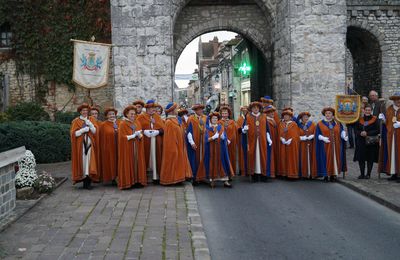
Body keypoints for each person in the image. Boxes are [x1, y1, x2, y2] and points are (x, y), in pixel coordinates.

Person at [197, 112, 233, 188]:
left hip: (221, 149)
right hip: (211, 150)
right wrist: (213, 137)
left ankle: (225, 181)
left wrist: (224, 138)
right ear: (210, 120)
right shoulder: (207, 128)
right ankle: (212, 180)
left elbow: (225, 138)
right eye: (213, 118)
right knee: (211, 163)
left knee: (223, 163)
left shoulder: (221, 127)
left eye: (216, 118)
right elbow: (206, 139)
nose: (215, 119)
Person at [160, 102, 192, 185]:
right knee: (173, 162)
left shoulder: (176, 120)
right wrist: (173, 148)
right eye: (175, 109)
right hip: (174, 146)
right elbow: (169, 138)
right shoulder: (169, 122)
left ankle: (179, 178)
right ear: (171, 111)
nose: (177, 110)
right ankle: (172, 179)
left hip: (180, 145)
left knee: (179, 163)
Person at [240, 101, 272, 182]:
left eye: (257, 108)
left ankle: (263, 175)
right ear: (251, 109)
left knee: (263, 157)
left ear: (259, 108)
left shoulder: (264, 116)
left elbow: (267, 129)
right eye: (254, 108)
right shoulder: (248, 117)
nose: (256, 109)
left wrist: (268, 138)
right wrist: (244, 129)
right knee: (253, 157)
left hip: (262, 141)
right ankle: (254, 175)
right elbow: (243, 130)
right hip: (252, 141)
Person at [70, 103, 99, 189]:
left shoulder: (92, 119)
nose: (85, 112)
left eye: (86, 110)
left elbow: (95, 132)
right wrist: (82, 130)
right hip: (81, 146)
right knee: (83, 162)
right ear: (80, 111)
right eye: (83, 110)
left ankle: (89, 181)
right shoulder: (76, 121)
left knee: (90, 162)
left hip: (90, 144)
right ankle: (84, 182)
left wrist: (90, 125)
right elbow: (73, 134)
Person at [118, 105, 147, 189]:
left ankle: (138, 180)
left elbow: (140, 134)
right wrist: (133, 135)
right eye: (131, 114)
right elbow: (122, 138)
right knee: (129, 163)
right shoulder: (123, 124)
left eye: (134, 114)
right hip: (128, 148)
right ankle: (129, 182)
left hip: (137, 147)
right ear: (126, 114)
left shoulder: (137, 122)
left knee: (137, 162)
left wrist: (140, 135)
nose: (133, 115)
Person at [315, 107, 348, 182]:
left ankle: (334, 175)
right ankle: (326, 175)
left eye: (329, 113)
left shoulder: (337, 123)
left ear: (332, 114)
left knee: (335, 159)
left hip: (336, 145)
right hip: (325, 146)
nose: (328, 115)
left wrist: (344, 135)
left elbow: (341, 131)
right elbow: (317, 134)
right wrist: (322, 138)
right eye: (326, 113)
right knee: (326, 159)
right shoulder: (320, 124)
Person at [137, 100, 165, 184]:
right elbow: (137, 127)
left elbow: (163, 128)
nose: (152, 109)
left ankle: (156, 176)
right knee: (146, 157)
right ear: (147, 109)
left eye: (153, 108)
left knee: (156, 157)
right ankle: (145, 175)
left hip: (156, 141)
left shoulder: (157, 117)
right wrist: (144, 131)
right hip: (145, 141)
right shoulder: (141, 117)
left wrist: (158, 131)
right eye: (150, 108)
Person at [353, 105, 379, 179]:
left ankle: (368, 174)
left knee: (370, 158)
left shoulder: (375, 119)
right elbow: (356, 130)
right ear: (363, 111)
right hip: (361, 142)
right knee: (361, 158)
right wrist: (360, 133)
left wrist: (367, 133)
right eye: (366, 110)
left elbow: (377, 130)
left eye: (369, 110)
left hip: (371, 142)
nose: (367, 111)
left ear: (371, 111)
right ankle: (362, 174)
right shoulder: (359, 119)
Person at [379, 92, 400, 181]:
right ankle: (393, 173)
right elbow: (387, 122)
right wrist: (383, 120)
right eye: (397, 99)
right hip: (391, 136)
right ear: (394, 100)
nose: (398, 101)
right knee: (392, 154)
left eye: (399, 99)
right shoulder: (389, 109)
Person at [186, 104, 208, 184]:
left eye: (202, 109)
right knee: (195, 159)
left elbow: (208, 129)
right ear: (195, 111)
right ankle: (195, 177)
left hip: (204, 142)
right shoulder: (191, 119)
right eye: (199, 109)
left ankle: (203, 176)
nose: (201, 111)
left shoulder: (205, 118)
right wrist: (192, 142)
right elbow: (189, 132)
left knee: (203, 158)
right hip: (196, 142)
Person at [99, 107, 120, 185]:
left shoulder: (120, 122)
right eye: (110, 114)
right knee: (111, 162)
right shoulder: (103, 125)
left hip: (119, 147)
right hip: (109, 147)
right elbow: (101, 137)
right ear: (106, 116)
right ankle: (112, 178)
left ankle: (120, 177)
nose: (112, 116)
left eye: (113, 114)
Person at [278, 109, 300, 179]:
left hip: (291, 145)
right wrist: (281, 138)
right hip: (282, 144)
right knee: (283, 158)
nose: (285, 117)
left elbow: (296, 134)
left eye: (287, 116)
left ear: (290, 117)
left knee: (291, 159)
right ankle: (283, 173)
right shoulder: (281, 124)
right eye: (284, 116)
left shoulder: (294, 124)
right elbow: (278, 133)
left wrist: (291, 139)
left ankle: (291, 174)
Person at [297, 111, 317, 179]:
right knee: (302, 158)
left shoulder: (312, 124)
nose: (306, 118)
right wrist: (301, 138)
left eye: (307, 117)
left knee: (311, 158)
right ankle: (303, 174)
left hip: (310, 144)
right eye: (304, 117)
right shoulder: (298, 125)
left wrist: (312, 136)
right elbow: (295, 134)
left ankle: (311, 173)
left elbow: (316, 132)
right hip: (302, 145)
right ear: (301, 118)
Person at [219, 105, 237, 176]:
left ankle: (231, 173)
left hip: (231, 142)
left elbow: (233, 131)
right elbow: (219, 131)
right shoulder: (219, 122)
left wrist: (229, 140)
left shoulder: (232, 122)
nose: (224, 115)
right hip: (222, 142)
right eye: (223, 113)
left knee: (231, 156)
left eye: (226, 113)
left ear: (228, 114)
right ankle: (224, 172)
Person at [264, 105, 277, 178]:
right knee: (270, 155)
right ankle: (270, 172)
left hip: (274, 139)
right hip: (269, 140)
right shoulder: (267, 120)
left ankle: (274, 171)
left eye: (273, 112)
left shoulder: (273, 120)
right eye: (270, 112)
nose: (272, 113)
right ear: (267, 113)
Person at [236, 106, 249, 176]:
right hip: (241, 138)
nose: (245, 112)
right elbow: (237, 129)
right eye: (243, 111)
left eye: (246, 110)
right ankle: (242, 169)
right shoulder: (239, 119)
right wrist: (242, 130)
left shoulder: (249, 118)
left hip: (248, 139)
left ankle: (248, 169)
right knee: (241, 154)